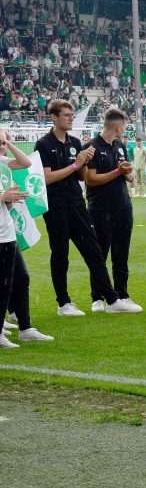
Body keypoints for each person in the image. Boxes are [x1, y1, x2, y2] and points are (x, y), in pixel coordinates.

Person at [35, 100, 137, 316]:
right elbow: (46, 178)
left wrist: (82, 164)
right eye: (66, 115)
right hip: (55, 205)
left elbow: (81, 176)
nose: (71, 118)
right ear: (53, 117)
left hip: (76, 203)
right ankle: (64, 303)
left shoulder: (74, 142)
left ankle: (111, 299)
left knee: (94, 251)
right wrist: (76, 164)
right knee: (60, 252)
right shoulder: (43, 144)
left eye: (72, 114)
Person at [84, 108, 144, 313]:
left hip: (122, 206)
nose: (124, 130)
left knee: (121, 253)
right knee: (99, 254)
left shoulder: (120, 146)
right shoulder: (91, 147)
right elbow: (90, 179)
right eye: (125, 125)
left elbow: (127, 176)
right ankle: (97, 297)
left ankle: (122, 294)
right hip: (100, 209)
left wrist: (128, 174)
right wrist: (118, 171)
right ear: (117, 125)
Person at [0, 128, 53, 347]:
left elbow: (25, 163)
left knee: (20, 279)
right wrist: (4, 196)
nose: (2, 147)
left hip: (7, 232)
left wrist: (8, 143)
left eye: (3, 143)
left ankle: (25, 327)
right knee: (3, 285)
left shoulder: (3, 164)